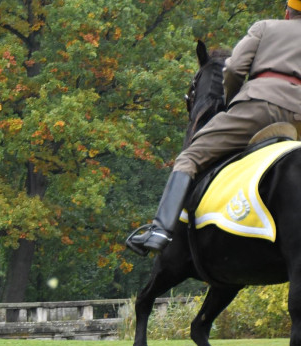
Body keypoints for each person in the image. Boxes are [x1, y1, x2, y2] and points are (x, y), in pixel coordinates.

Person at [126, 0, 301, 256]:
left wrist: (233, 103)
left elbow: (233, 68)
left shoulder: (264, 27)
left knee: (190, 156)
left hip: (260, 107)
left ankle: (160, 231)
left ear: (287, 13)